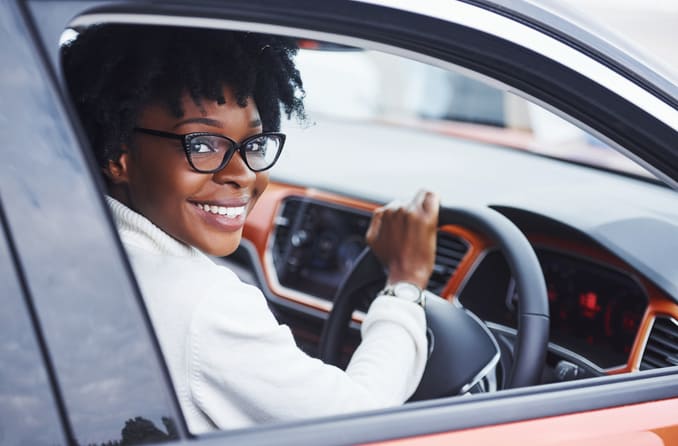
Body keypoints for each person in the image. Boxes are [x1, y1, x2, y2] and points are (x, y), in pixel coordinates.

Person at [62, 24, 439, 433]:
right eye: (203, 145)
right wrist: (404, 287)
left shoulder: (67, 243)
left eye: (254, 145)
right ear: (116, 154)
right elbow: (365, 418)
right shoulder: (205, 306)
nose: (243, 175)